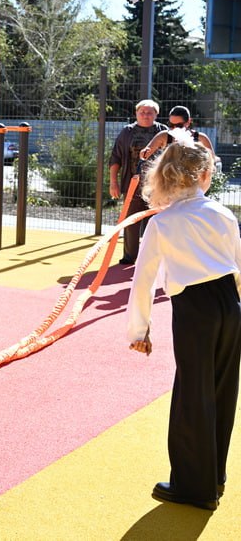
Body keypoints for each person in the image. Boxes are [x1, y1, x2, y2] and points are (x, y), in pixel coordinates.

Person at [125, 134, 241, 511]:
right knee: (223, 389)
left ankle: (194, 487)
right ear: (204, 175)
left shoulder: (163, 222)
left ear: (166, 177)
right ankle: (215, 475)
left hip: (194, 309)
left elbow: (143, 279)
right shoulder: (223, 214)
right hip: (230, 304)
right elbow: (238, 266)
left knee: (193, 393)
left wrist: (139, 330)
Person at [108, 99, 168, 265]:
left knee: (155, 222)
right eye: (142, 112)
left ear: (156, 114)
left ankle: (152, 257)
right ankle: (129, 256)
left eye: (149, 112)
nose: (145, 115)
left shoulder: (163, 131)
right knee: (131, 221)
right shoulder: (127, 132)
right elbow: (115, 158)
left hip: (157, 187)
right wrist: (113, 182)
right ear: (136, 113)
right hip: (132, 185)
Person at [139, 105, 220, 169]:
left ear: (188, 122)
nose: (175, 128)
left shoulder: (201, 138)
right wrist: (144, 153)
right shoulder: (164, 136)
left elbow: (212, 160)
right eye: (171, 125)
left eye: (179, 125)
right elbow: (144, 155)